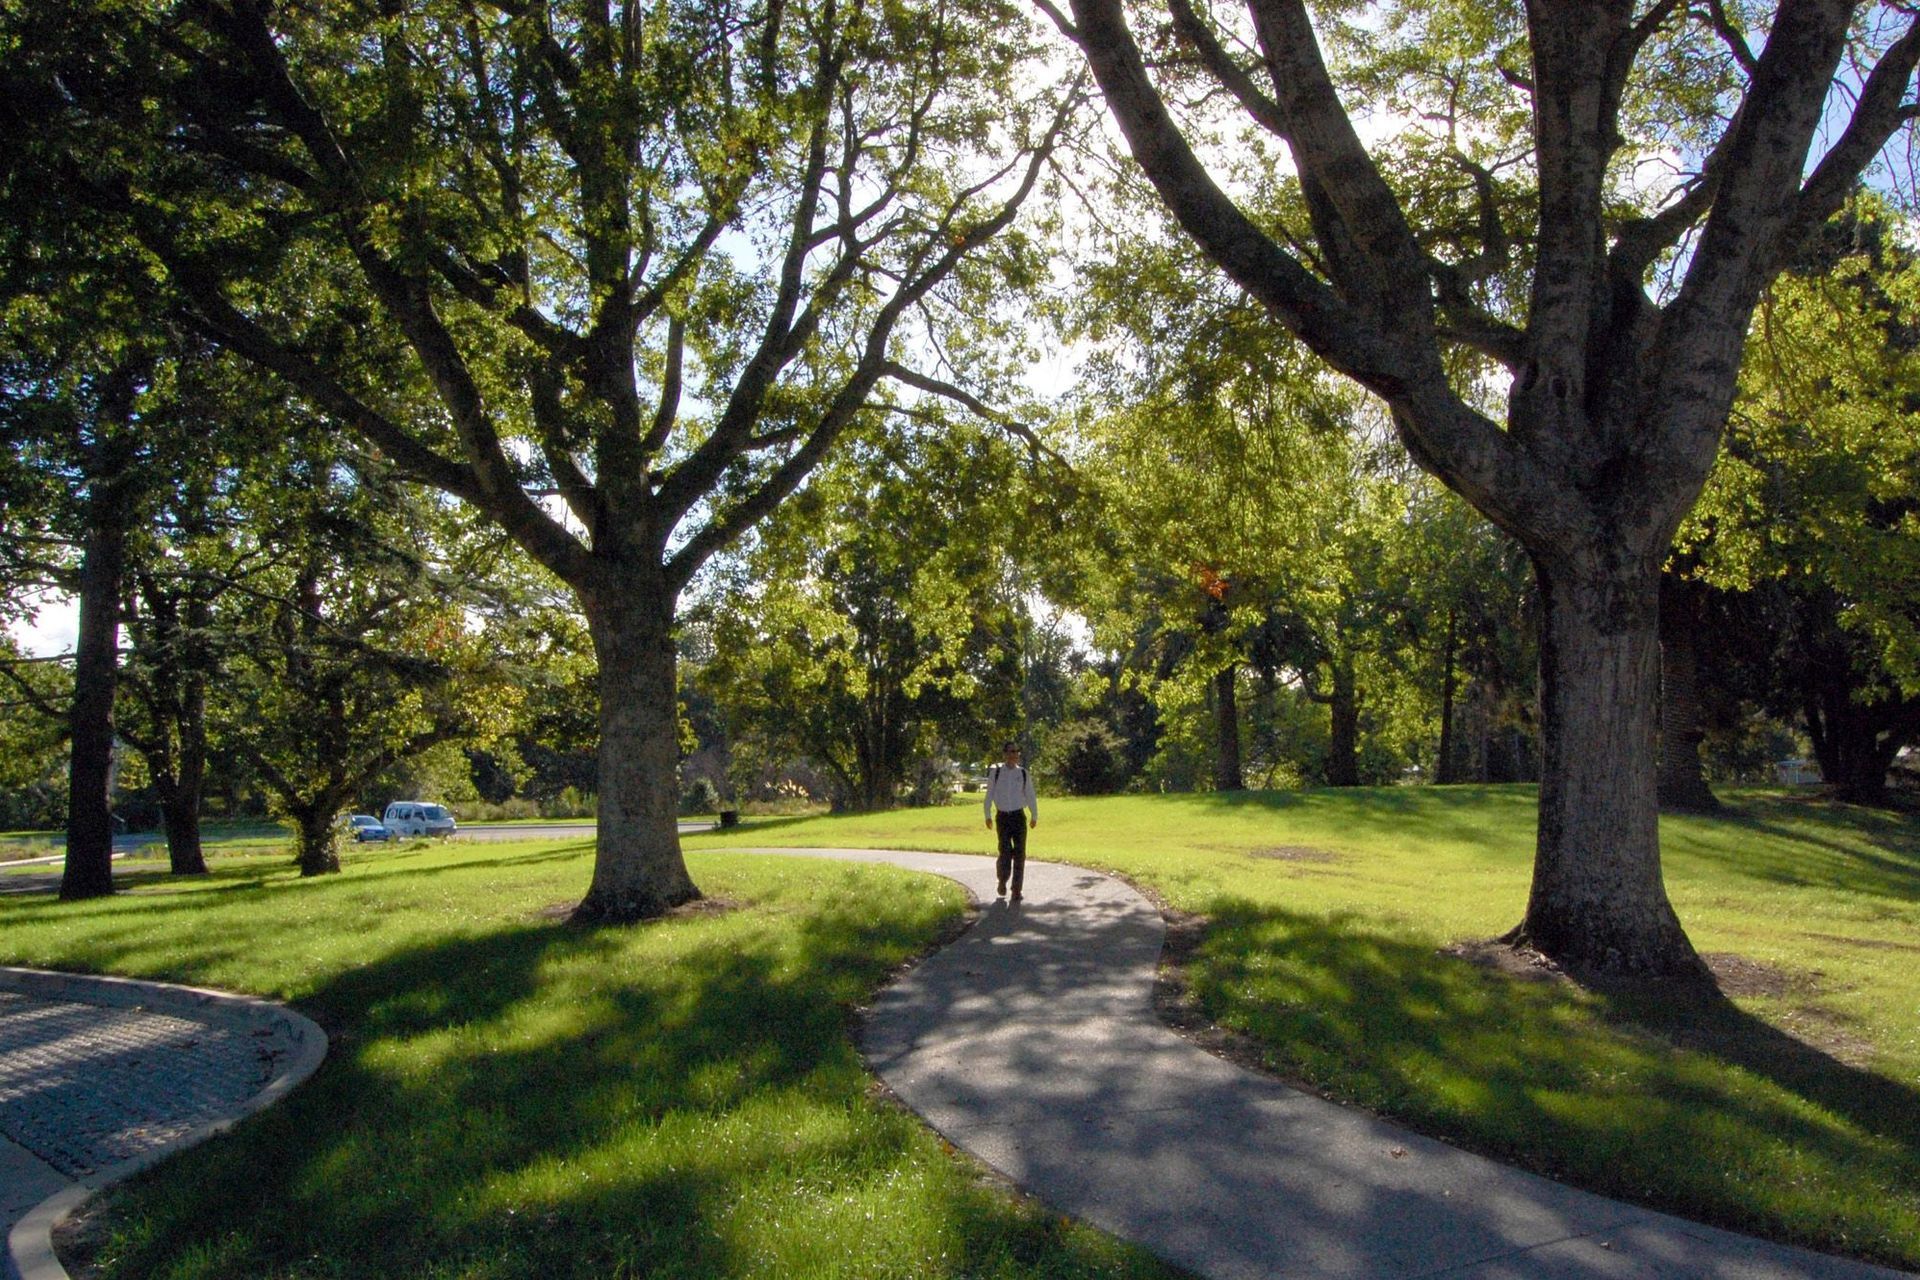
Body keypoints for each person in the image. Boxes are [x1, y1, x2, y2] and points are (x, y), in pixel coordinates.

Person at [983, 741, 1038, 901]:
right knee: (1005, 851)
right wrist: (987, 814)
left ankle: (1016, 890)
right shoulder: (997, 773)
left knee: (1020, 853)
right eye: (1011, 751)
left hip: (1018, 817)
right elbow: (989, 795)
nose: (1014, 755)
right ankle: (1002, 880)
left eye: (1016, 751)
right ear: (1005, 754)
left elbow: (1030, 795)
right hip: (1002, 817)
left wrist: (1034, 815)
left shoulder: (1023, 773)